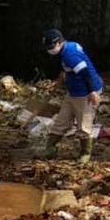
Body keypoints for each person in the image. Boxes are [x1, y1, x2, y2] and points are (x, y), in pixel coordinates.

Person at [43, 28, 103, 163]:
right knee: (61, 120)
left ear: (59, 42)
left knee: (84, 124)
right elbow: (66, 71)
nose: (50, 50)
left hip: (84, 92)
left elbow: (85, 73)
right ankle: (51, 149)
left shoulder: (70, 54)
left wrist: (92, 92)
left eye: (51, 46)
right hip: (73, 91)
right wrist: (56, 85)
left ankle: (85, 153)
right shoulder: (67, 49)